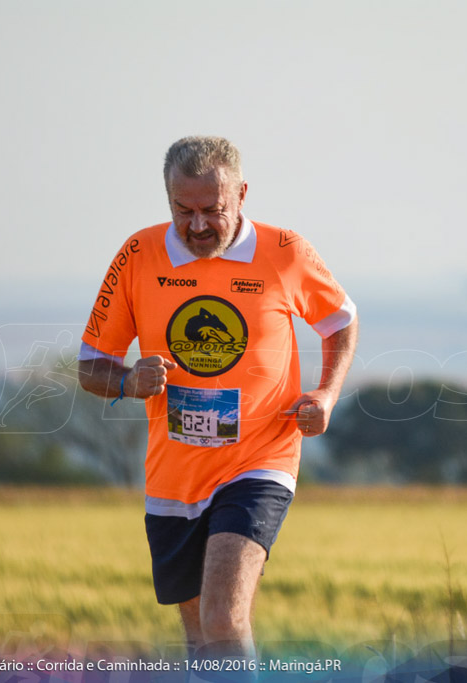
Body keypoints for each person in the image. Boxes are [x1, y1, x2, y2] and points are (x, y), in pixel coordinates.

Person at [76, 136, 358, 662]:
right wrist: (127, 381)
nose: (198, 225)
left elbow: (341, 319)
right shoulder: (138, 255)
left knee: (224, 619)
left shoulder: (285, 252)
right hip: (173, 477)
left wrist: (327, 392)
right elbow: (90, 366)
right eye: (184, 211)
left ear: (242, 194)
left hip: (260, 462)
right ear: (167, 200)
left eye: (212, 210)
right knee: (202, 638)